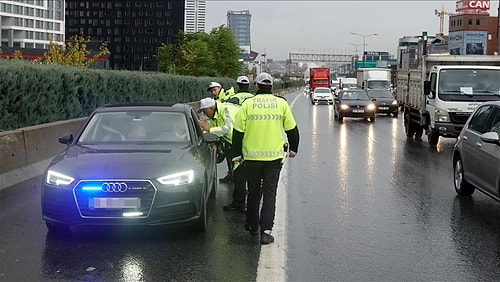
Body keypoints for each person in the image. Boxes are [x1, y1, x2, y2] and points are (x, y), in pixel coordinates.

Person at [232, 72, 300, 245]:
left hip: (251, 158)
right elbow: (292, 130)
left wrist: (236, 155)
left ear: (256, 86)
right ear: (271, 87)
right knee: (270, 194)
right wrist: (293, 150)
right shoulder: (281, 103)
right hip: (273, 159)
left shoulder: (248, 104)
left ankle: (252, 226)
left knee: (254, 192)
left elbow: (238, 132)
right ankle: (266, 232)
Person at [198, 97, 247, 212]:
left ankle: (242, 204)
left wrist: (210, 130)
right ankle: (238, 201)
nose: (205, 115)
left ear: (211, 108)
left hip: (242, 143)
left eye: (205, 111)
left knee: (240, 174)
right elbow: (211, 129)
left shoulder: (226, 110)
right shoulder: (214, 114)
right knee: (237, 174)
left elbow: (228, 129)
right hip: (232, 143)